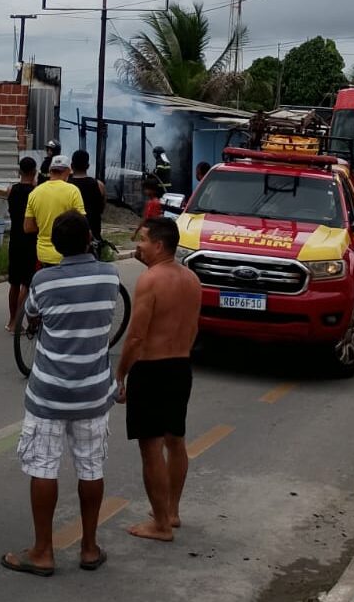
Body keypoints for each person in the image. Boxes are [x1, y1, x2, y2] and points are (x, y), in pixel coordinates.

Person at [1, 211, 118, 577]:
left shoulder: (43, 280)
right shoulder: (110, 276)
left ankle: (42, 551)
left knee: (43, 468)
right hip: (93, 392)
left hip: (49, 394)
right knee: (91, 468)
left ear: (55, 245)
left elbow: (32, 315)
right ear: (89, 238)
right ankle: (89, 548)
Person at [116, 218, 201, 542]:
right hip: (180, 366)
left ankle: (161, 525)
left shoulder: (151, 280)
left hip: (151, 368)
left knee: (150, 446)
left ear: (159, 245)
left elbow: (136, 336)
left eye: (143, 240)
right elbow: (193, 328)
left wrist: (121, 374)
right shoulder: (192, 279)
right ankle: (172, 512)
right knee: (175, 439)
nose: (138, 245)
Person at [25, 155, 85, 268]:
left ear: (50, 171)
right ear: (67, 171)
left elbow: (28, 227)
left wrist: (45, 225)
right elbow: (82, 226)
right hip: (67, 255)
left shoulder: (35, 193)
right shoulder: (73, 191)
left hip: (43, 256)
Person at [6, 156, 39, 331]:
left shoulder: (11, 190)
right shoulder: (36, 192)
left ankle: (12, 320)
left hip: (15, 239)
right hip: (30, 240)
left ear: (19, 171)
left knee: (14, 283)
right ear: (34, 172)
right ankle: (18, 322)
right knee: (26, 283)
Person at [69, 149, 107, 242]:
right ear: (88, 166)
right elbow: (101, 209)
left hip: (70, 236)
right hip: (94, 236)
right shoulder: (99, 185)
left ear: (71, 166)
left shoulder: (66, 185)